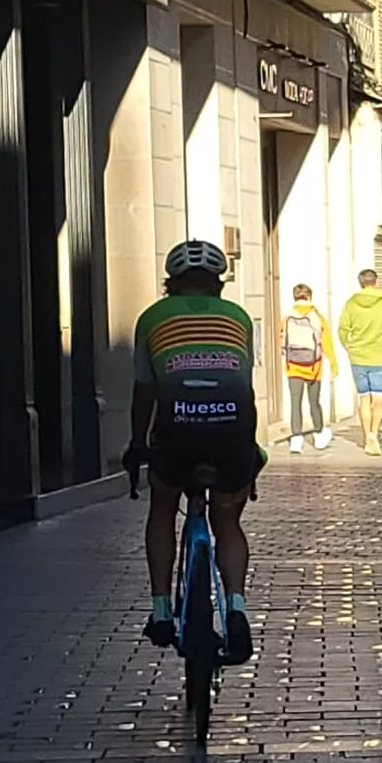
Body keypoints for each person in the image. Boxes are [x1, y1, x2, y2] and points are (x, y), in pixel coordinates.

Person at [129, 240, 262, 663]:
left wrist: (137, 444)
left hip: (177, 432)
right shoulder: (238, 317)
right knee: (227, 518)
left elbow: (144, 391)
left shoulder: (151, 318)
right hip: (232, 432)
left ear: (171, 284)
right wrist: (250, 453)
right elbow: (245, 390)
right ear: (218, 283)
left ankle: (162, 609)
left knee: (164, 503)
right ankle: (237, 609)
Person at [339, 268, 382, 457]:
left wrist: (348, 346)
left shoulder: (351, 304)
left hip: (359, 358)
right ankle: (374, 433)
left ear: (360, 282)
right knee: (379, 400)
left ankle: (366, 435)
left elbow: (343, 329)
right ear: (376, 281)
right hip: (381, 358)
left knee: (364, 398)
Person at [281, 284, 338, 454]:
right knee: (314, 402)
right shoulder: (317, 317)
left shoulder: (287, 317)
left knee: (295, 403)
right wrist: (334, 363)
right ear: (309, 297)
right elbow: (326, 342)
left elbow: (281, 341)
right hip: (314, 366)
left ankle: (296, 439)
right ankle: (319, 434)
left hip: (293, 367)